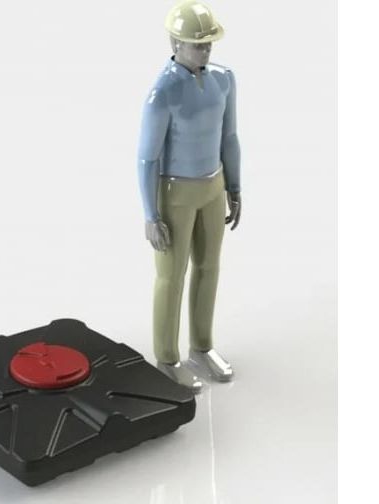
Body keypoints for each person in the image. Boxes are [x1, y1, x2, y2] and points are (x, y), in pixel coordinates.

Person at [137, 1, 241, 391]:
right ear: (175, 42)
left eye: (209, 43)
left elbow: (229, 137)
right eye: (197, 44)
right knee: (171, 276)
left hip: (213, 186)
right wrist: (151, 214)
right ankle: (167, 358)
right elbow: (147, 158)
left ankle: (202, 346)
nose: (205, 50)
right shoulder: (162, 93)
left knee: (209, 267)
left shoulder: (224, 80)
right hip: (175, 192)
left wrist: (234, 185)